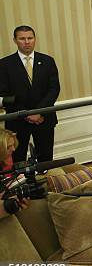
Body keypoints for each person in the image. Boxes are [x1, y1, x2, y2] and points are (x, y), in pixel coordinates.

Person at [0, 26, 60, 163]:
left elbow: (54, 89)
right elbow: (3, 94)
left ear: (34, 39)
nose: (26, 42)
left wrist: (39, 112)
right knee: (17, 159)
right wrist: (26, 113)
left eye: (30, 38)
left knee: (45, 159)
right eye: (22, 39)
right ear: (15, 40)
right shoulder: (4, 64)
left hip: (44, 119)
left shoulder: (47, 61)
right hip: (17, 120)